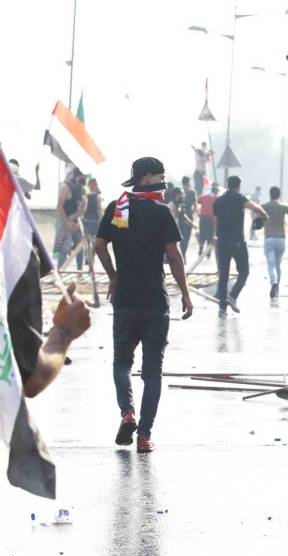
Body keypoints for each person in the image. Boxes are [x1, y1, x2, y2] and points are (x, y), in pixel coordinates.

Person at [95, 156, 193, 453]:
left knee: (122, 363)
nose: (163, 183)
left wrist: (113, 276)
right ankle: (144, 435)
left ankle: (127, 413)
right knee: (152, 373)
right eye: (159, 177)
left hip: (125, 300)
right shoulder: (161, 212)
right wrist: (186, 294)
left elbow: (99, 244)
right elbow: (174, 257)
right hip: (154, 303)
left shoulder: (118, 208)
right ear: (147, 178)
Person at [213, 175, 268, 316]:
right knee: (244, 271)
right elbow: (258, 209)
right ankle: (233, 296)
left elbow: (215, 223)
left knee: (223, 275)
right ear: (238, 186)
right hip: (237, 242)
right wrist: (264, 217)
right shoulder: (240, 199)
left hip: (222, 242)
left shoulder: (218, 202)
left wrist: (216, 239)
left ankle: (222, 309)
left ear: (227, 185)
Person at [262, 186, 288, 298]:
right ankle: (277, 288)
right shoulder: (284, 207)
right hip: (281, 240)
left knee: (270, 264)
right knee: (278, 264)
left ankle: (274, 282)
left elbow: (256, 214)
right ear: (279, 195)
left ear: (270, 194)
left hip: (269, 239)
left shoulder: (265, 206)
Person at [53, 167, 87, 272]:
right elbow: (60, 206)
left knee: (80, 248)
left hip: (76, 222)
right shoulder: (65, 187)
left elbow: (84, 205)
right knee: (65, 249)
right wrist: (67, 221)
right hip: (65, 221)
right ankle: (60, 273)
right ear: (79, 175)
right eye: (84, 175)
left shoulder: (81, 188)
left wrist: (76, 217)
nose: (85, 178)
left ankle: (80, 273)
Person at [198, 182, 219, 257]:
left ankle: (201, 247)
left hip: (203, 218)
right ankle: (208, 251)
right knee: (210, 235)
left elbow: (198, 201)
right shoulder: (218, 198)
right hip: (211, 219)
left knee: (202, 234)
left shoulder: (204, 196)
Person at [180, 176, 197, 262]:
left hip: (180, 218)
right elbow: (195, 206)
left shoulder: (179, 191)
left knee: (181, 236)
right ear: (188, 182)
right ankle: (183, 254)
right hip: (189, 216)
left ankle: (182, 254)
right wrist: (192, 213)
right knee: (186, 237)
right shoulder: (192, 192)